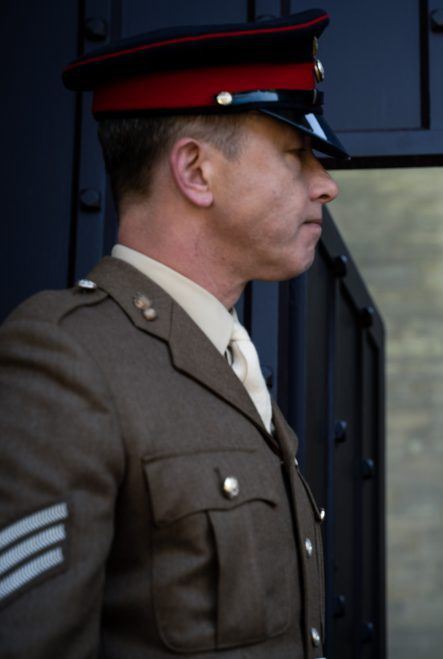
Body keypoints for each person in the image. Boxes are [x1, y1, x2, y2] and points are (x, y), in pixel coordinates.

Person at [0, 10, 346, 657]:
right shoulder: (67, 357)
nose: (324, 184)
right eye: (296, 154)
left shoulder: (222, 353)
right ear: (195, 170)